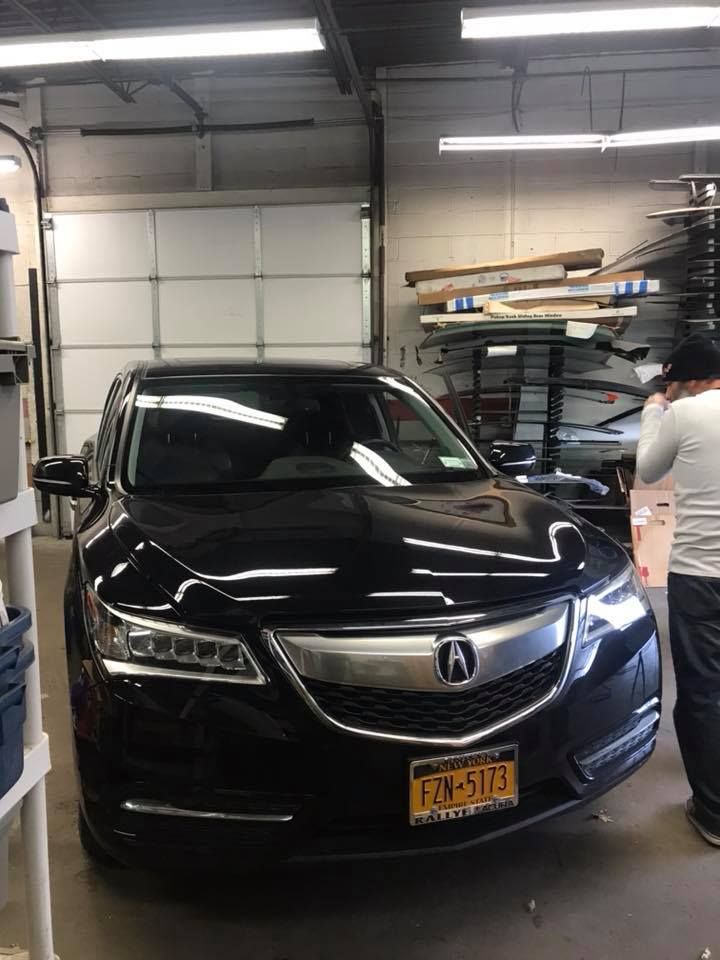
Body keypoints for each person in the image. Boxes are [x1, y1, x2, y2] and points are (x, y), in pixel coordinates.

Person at [636, 334, 720, 847]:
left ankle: (712, 813)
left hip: (700, 576)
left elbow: (648, 470)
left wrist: (654, 411)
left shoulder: (683, 415)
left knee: (705, 694)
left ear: (685, 380)